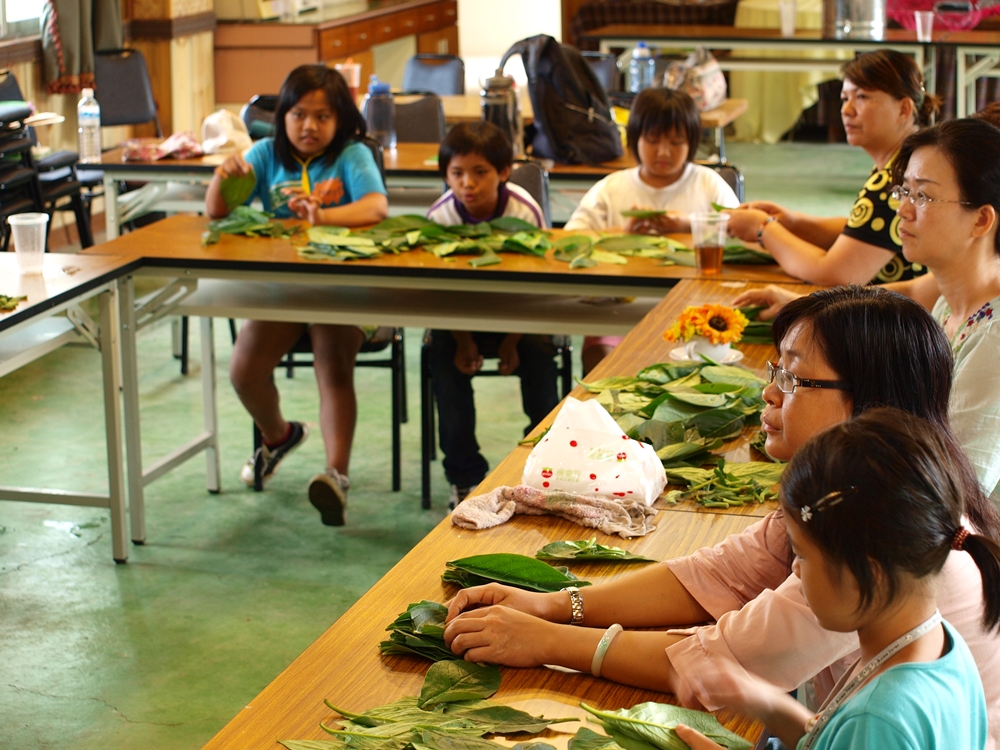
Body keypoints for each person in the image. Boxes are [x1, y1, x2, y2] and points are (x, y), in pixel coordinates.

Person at [443, 286, 1000, 749]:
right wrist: (554, 605)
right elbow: (720, 574)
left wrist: (546, 641)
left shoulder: (867, 549)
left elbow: (722, 655)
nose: (770, 392)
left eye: (793, 379)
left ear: (868, 400)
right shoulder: (870, 515)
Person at [675, 410, 998, 750]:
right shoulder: (942, 645)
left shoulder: (879, 718)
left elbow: (863, 733)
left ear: (867, 575)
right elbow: (836, 740)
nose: (796, 571)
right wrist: (764, 701)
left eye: (802, 554)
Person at [735, 118, 1000, 501]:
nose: (904, 211)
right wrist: (806, 309)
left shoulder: (992, 338)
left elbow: (955, 488)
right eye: (903, 191)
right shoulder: (955, 292)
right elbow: (905, 291)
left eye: (923, 196)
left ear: (981, 219)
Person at [205, 64, 388, 526]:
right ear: (283, 115)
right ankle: (279, 435)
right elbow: (216, 211)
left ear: (340, 121)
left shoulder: (351, 156)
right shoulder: (265, 154)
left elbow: (376, 207)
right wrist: (221, 178)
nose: (310, 126)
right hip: (283, 291)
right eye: (300, 114)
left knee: (332, 364)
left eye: (323, 117)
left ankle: (336, 476)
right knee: (244, 370)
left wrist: (324, 218)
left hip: (343, 289)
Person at [425, 121, 559, 508]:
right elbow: (440, 295)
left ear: (503, 172)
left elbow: (533, 287)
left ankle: (540, 469)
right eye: (457, 173)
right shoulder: (440, 218)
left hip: (518, 315)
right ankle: (464, 477)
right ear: (446, 175)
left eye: (480, 172)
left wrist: (512, 339)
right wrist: (464, 340)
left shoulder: (524, 211)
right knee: (445, 372)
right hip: (459, 317)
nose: (468, 183)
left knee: (540, 368)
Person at [724, 50, 939, 286]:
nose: (846, 110)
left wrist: (763, 229)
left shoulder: (898, 179)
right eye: (845, 98)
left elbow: (835, 275)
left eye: (862, 97)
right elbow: (864, 231)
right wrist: (792, 222)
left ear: (904, 109)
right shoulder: (904, 162)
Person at [563, 87, 740, 374]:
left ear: (692, 142)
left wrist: (687, 225)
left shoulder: (709, 184)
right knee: (602, 360)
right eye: (652, 140)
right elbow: (569, 243)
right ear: (634, 138)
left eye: (676, 142)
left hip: (693, 310)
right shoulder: (612, 188)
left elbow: (740, 238)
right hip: (616, 311)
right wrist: (622, 233)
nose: (663, 152)